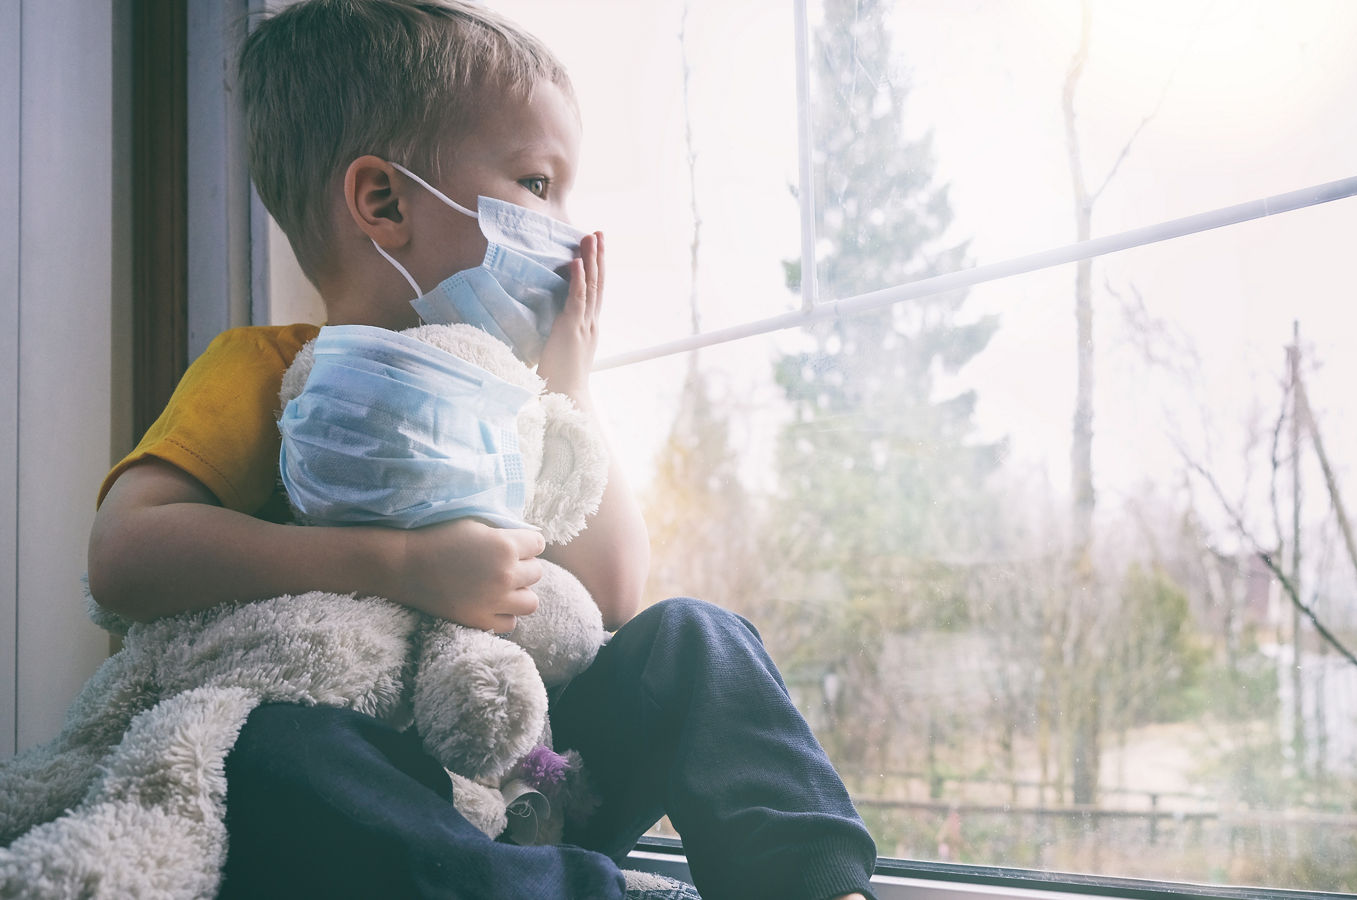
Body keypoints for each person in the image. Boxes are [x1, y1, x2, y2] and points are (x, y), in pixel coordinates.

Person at [85, 2, 876, 898]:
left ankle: (817, 885)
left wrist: (570, 387)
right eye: (539, 185)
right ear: (383, 202)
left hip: (526, 778)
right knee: (271, 750)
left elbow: (615, 593)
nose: (574, 231)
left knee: (699, 637)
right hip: (378, 791)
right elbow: (123, 555)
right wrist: (401, 566)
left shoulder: (518, 397)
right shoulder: (263, 370)